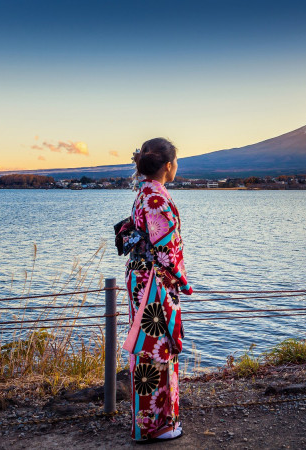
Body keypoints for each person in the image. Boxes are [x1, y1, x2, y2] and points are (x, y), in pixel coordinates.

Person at [124, 137, 192, 443]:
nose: (176, 166)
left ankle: (149, 423)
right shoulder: (156, 198)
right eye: (175, 161)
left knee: (147, 348)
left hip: (142, 278)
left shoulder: (144, 192)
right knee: (158, 349)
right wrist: (183, 281)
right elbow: (166, 250)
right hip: (156, 281)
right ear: (167, 165)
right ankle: (158, 426)